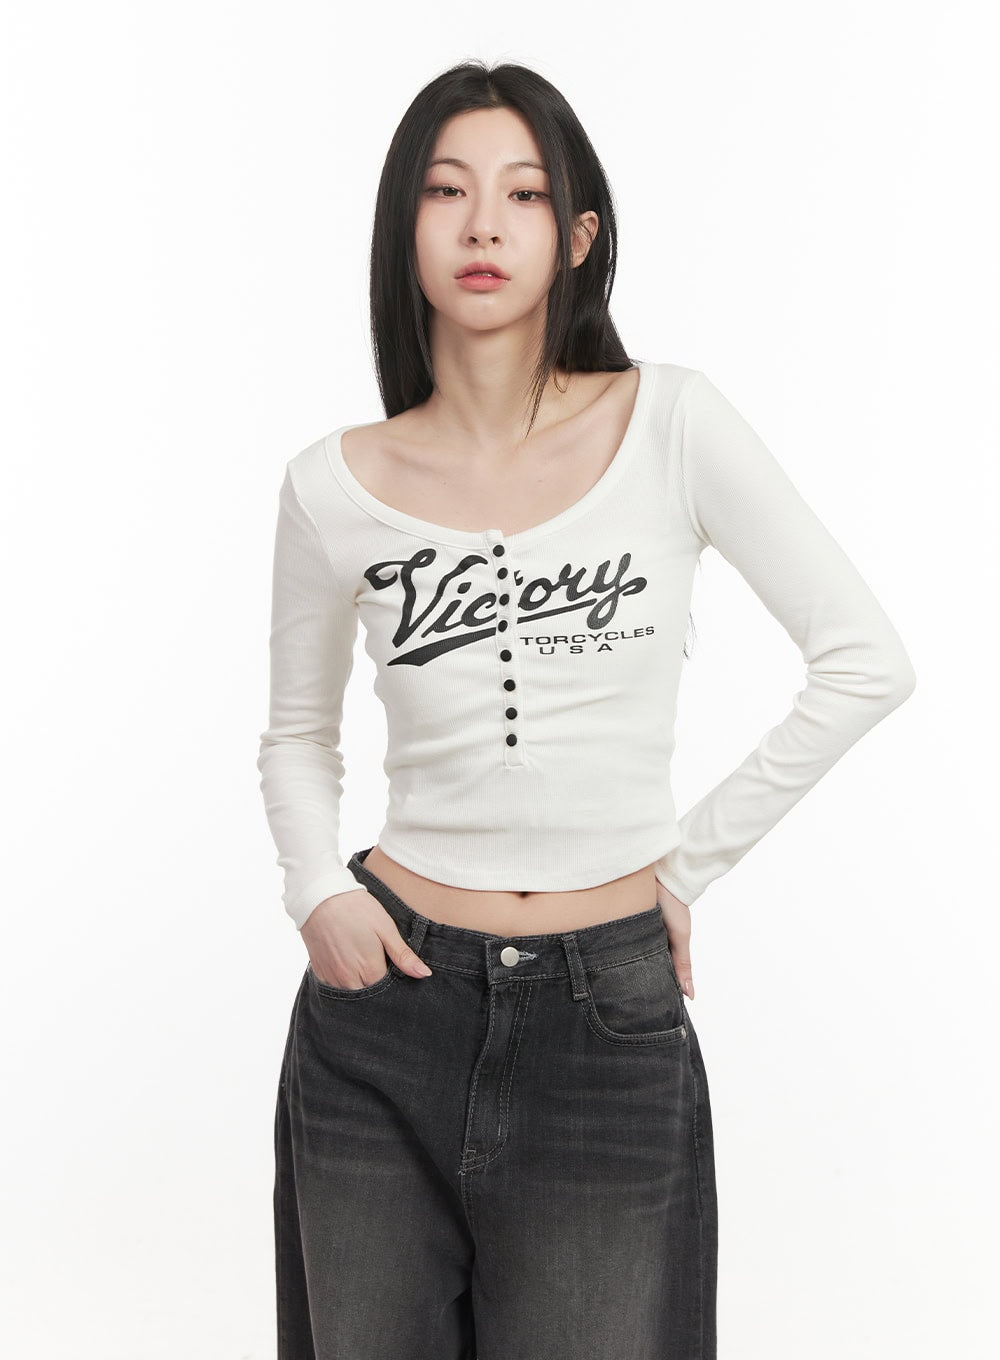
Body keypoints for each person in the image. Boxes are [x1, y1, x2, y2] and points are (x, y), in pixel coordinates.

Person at [256, 59, 916, 1360]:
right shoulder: (332, 484)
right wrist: (316, 890)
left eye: (523, 193)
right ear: (404, 225)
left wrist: (682, 867)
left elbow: (864, 662)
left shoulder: (671, 422)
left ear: (578, 235)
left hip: (605, 1019)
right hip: (382, 1009)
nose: (483, 224)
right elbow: (296, 733)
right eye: (446, 190)